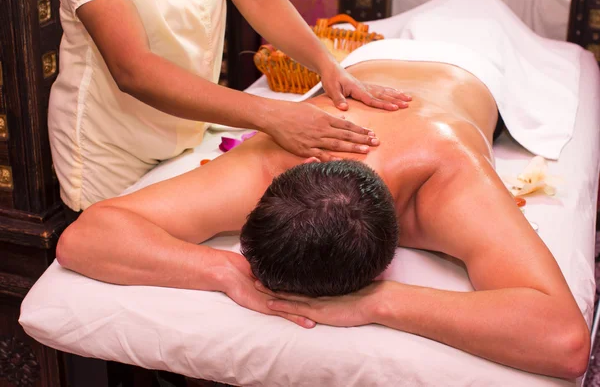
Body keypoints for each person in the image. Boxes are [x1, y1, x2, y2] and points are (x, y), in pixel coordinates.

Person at [55, 41, 589, 379]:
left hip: (476, 58)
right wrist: (222, 270)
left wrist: (380, 304)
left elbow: (564, 341)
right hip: (365, 60)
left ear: (382, 266)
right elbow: (86, 237)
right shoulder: (271, 164)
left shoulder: (447, 176)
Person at [49, 0, 410, 212]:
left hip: (185, 128)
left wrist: (327, 64)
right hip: (112, 147)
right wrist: (272, 115)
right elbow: (132, 67)